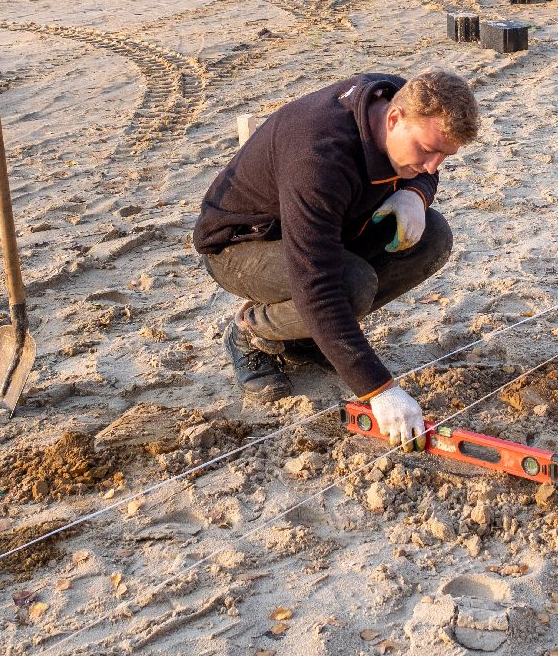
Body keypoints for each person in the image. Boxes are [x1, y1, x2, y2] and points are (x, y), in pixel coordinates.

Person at [195, 69, 478, 451]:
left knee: (431, 238)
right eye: (427, 151)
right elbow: (317, 284)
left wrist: (416, 191)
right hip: (241, 247)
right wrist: (379, 390)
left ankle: (308, 338)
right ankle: (251, 330)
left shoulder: (400, 97)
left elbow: (425, 172)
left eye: (444, 156)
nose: (434, 165)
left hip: (327, 230)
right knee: (349, 285)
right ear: (394, 120)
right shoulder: (319, 157)